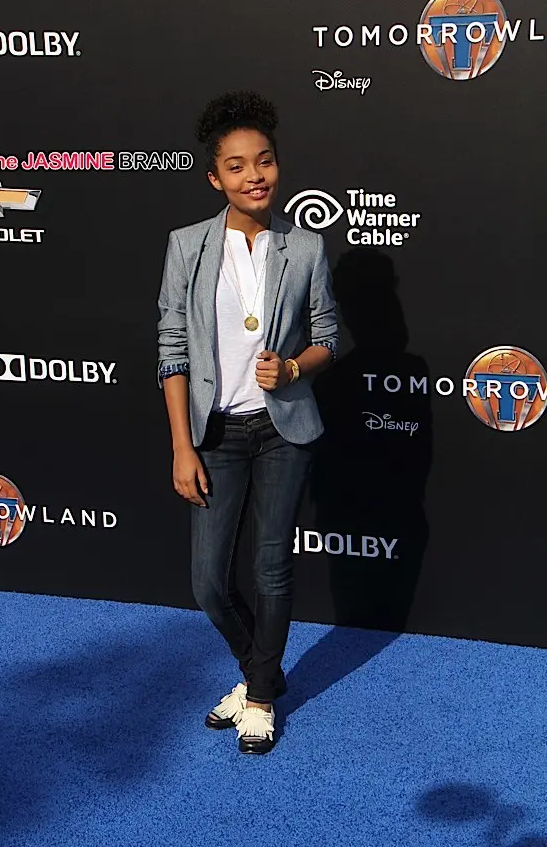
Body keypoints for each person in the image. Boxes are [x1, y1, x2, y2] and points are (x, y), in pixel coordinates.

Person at [157, 91, 338, 754]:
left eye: (264, 161)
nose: (254, 175)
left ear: (278, 165)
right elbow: (171, 348)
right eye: (236, 166)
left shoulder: (306, 247)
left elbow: (327, 338)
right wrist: (182, 446)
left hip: (283, 429)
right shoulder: (187, 246)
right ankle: (261, 669)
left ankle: (259, 696)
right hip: (217, 433)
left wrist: (292, 369)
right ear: (215, 178)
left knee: (271, 569)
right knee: (208, 582)